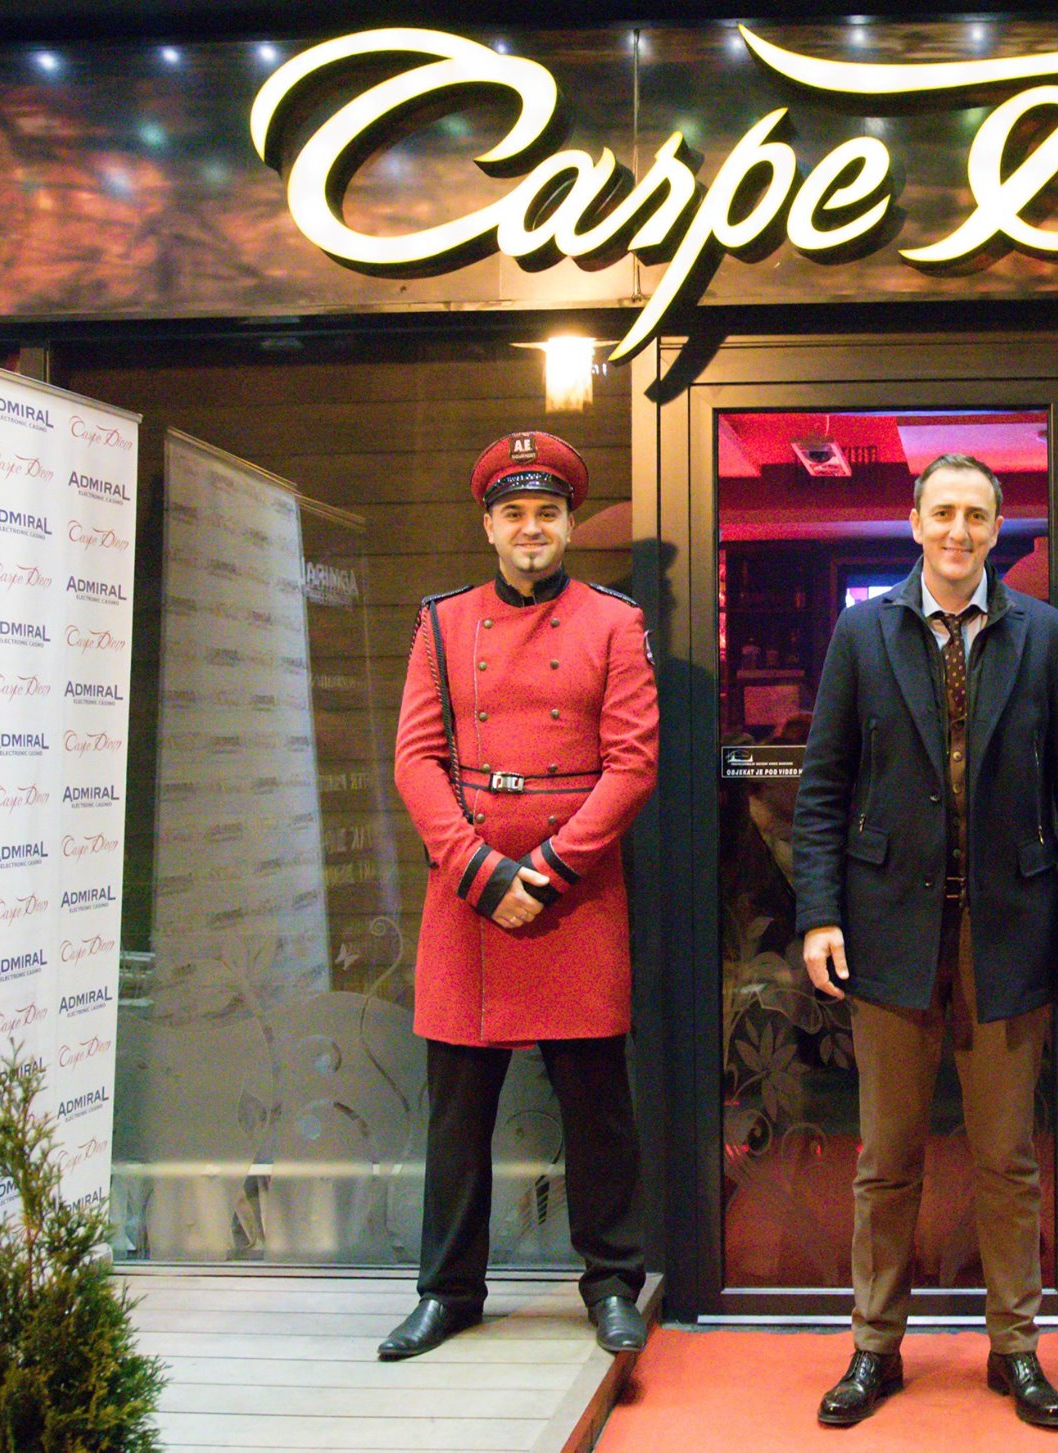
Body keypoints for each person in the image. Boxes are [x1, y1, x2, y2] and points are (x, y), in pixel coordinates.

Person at [793, 453, 1058, 1428]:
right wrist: (818, 912)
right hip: (888, 931)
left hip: (1009, 934)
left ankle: (1014, 1348)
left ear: (996, 529)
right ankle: (873, 1347)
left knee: (1006, 1159)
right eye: (942, 513)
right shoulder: (862, 632)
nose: (958, 531)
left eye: (975, 514)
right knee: (885, 1157)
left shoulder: (1046, 635)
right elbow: (822, 788)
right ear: (914, 521)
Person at [381, 430, 659, 1360]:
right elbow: (415, 760)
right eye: (514, 513)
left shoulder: (614, 622)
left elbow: (633, 763)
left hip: (572, 894)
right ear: (489, 526)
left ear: (569, 524)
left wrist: (546, 871)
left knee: (598, 1107)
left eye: (546, 512)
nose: (530, 527)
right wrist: (481, 873)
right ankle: (448, 1290)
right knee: (457, 1112)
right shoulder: (442, 622)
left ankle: (612, 1283)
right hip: (468, 896)